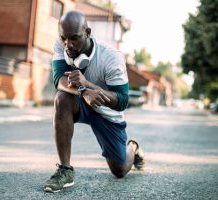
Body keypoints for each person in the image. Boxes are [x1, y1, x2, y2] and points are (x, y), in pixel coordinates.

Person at [44, 10, 146, 193]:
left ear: (88, 33)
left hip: (107, 111)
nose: (68, 44)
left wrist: (89, 85)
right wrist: (84, 91)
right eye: (64, 38)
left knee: (120, 170)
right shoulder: (62, 45)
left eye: (74, 38)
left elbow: (122, 100)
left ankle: (133, 147)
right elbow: (59, 80)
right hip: (80, 101)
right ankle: (65, 170)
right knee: (61, 99)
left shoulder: (111, 57)